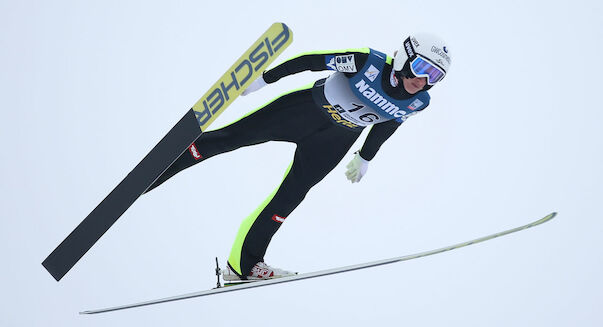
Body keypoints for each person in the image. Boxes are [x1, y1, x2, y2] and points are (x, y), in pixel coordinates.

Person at [145, 32, 452, 281]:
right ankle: (153, 174)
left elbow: (387, 125)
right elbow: (310, 61)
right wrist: (266, 78)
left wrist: (366, 156)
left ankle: (244, 265)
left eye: (434, 76)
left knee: (291, 196)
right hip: (303, 111)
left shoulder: (418, 102)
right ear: (403, 57)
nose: (423, 81)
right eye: (421, 69)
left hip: (335, 141)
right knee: (231, 138)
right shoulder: (367, 61)